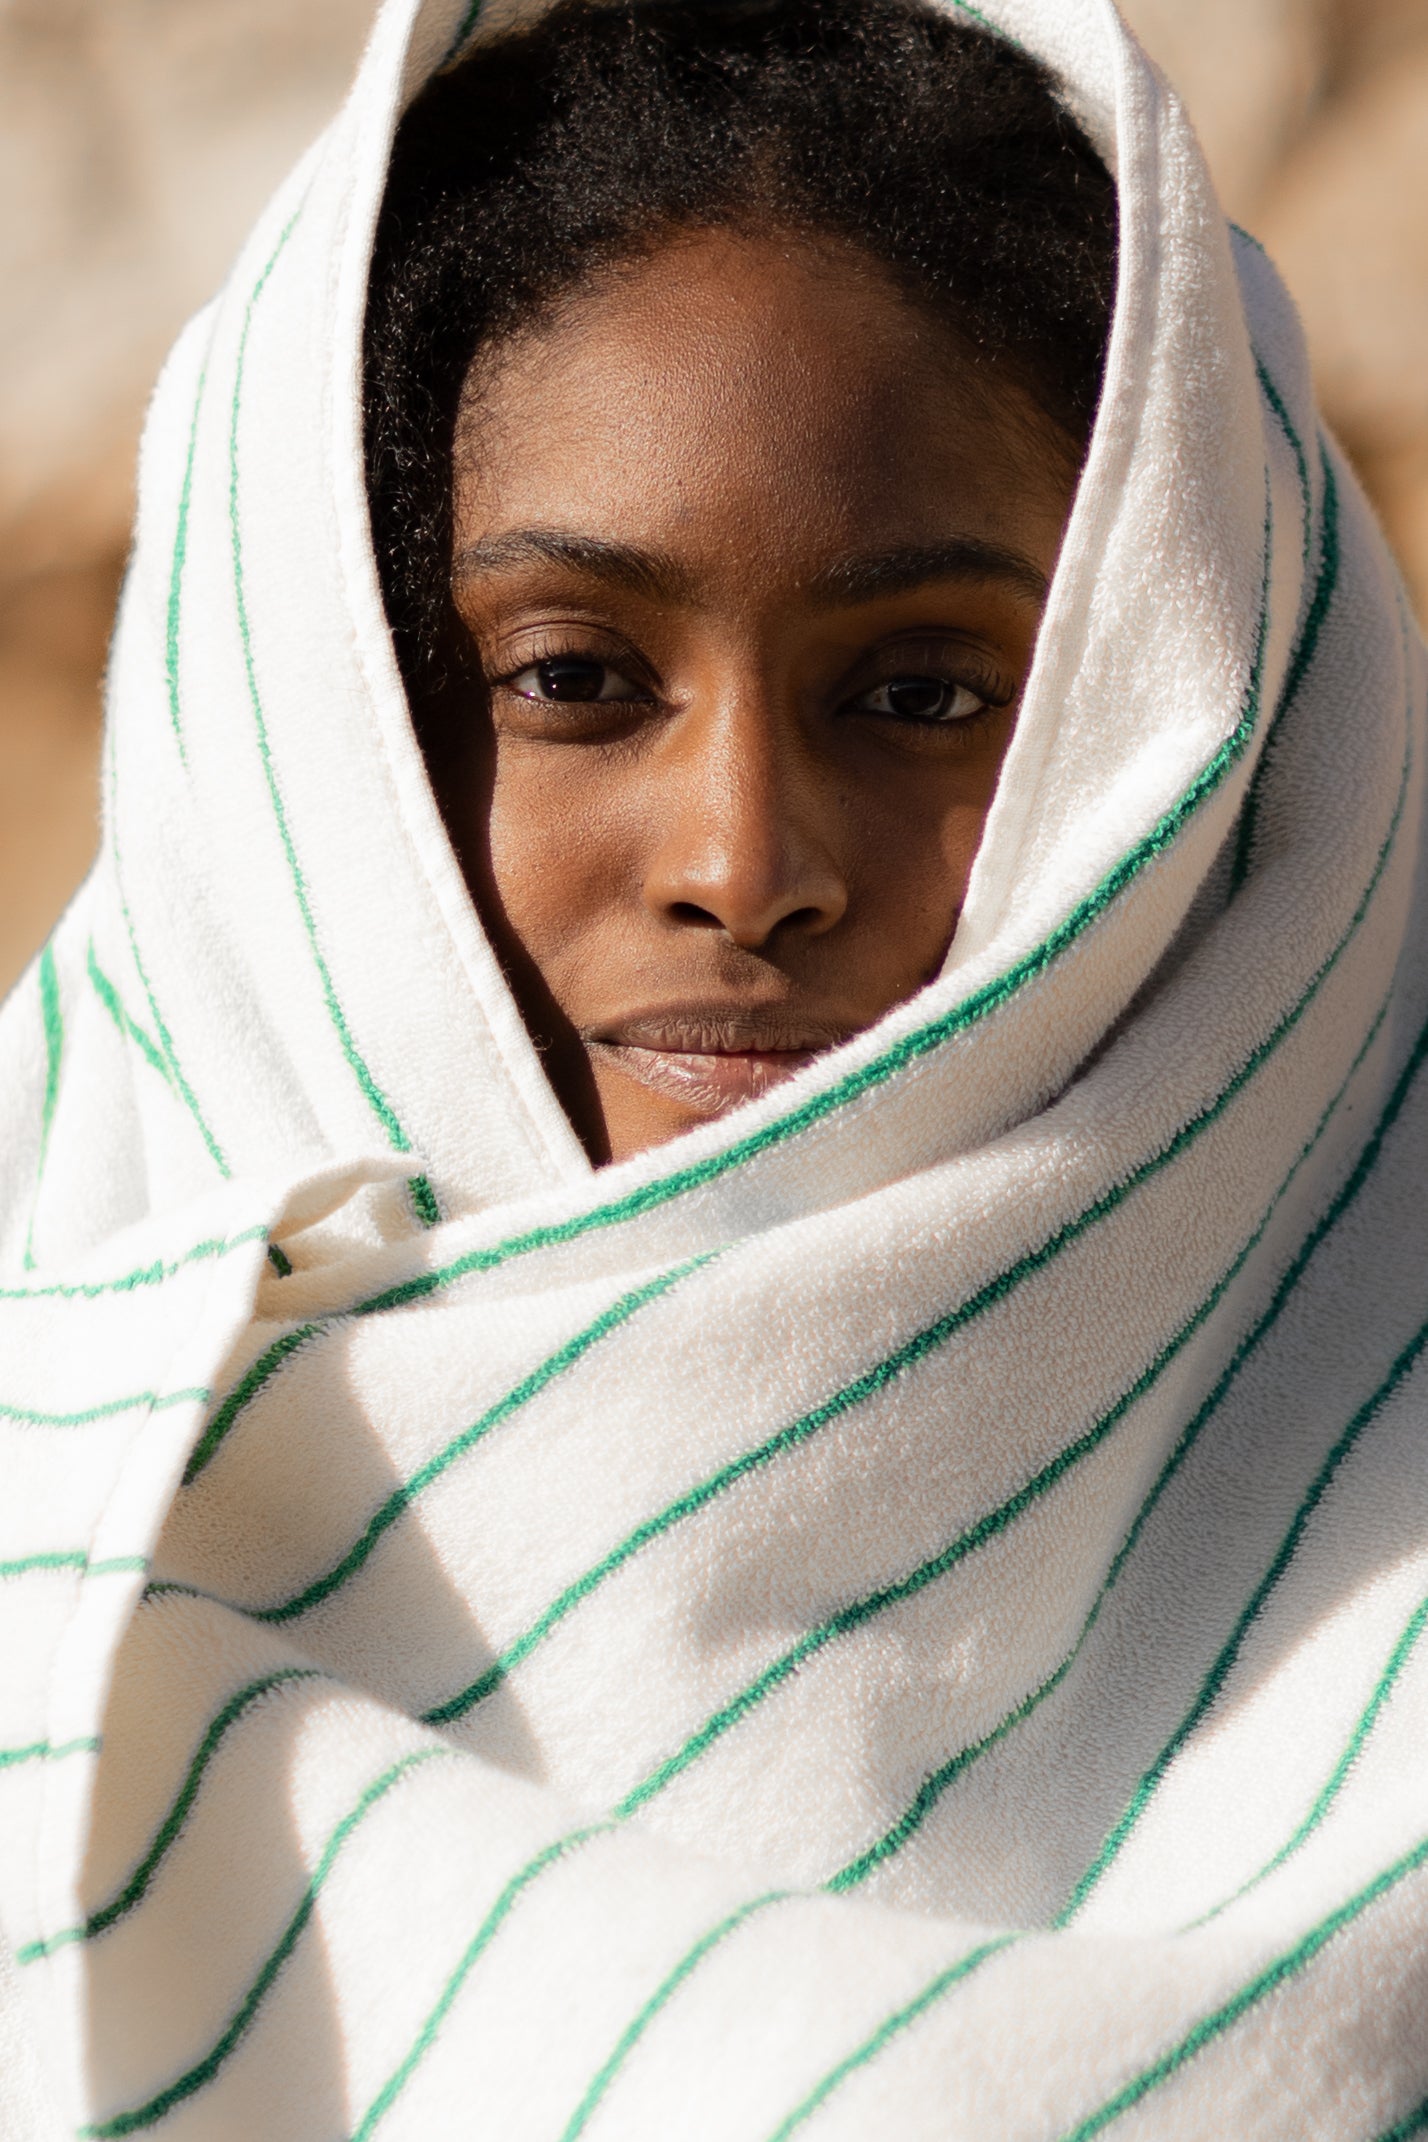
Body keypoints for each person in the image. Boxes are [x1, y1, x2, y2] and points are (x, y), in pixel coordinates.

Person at [0, 0, 1424, 2134]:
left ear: (1199, 716)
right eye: (572, 677)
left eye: (932, 694)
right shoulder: (64, 1587)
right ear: (316, 721)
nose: (744, 866)